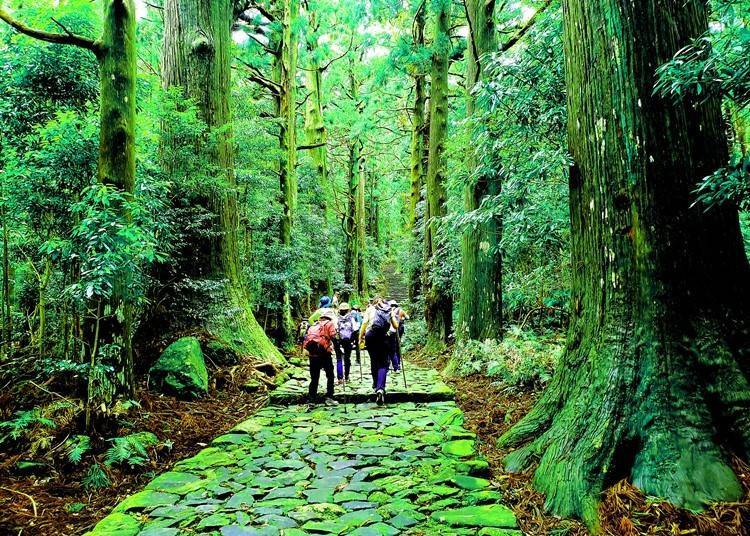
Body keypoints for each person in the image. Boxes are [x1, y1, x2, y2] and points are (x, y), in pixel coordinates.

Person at [359, 297, 399, 405]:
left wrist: (360, 337)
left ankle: (375, 384)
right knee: (383, 363)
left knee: (373, 360)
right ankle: (380, 388)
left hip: (370, 336)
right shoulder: (388, 309)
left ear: (373, 302)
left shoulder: (370, 309)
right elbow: (395, 326)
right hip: (383, 336)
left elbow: (364, 324)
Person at [302, 311, 339, 406]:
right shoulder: (329, 324)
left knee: (314, 377)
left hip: (313, 354)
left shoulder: (314, 325)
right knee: (330, 375)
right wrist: (338, 349)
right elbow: (333, 336)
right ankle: (329, 397)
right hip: (324, 353)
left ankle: (311, 399)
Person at [336, 302, 359, 383]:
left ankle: (339, 378)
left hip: (338, 341)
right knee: (347, 358)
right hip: (348, 341)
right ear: (348, 310)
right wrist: (355, 341)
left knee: (339, 359)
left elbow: (335, 330)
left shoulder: (336, 318)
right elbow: (355, 330)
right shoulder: (351, 318)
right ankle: (347, 376)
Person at [387, 300, 409, 371]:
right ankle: (398, 364)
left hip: (391, 329)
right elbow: (407, 317)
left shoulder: (388, 311)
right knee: (397, 346)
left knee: (391, 346)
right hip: (399, 328)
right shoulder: (401, 310)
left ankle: (389, 363)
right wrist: (402, 318)